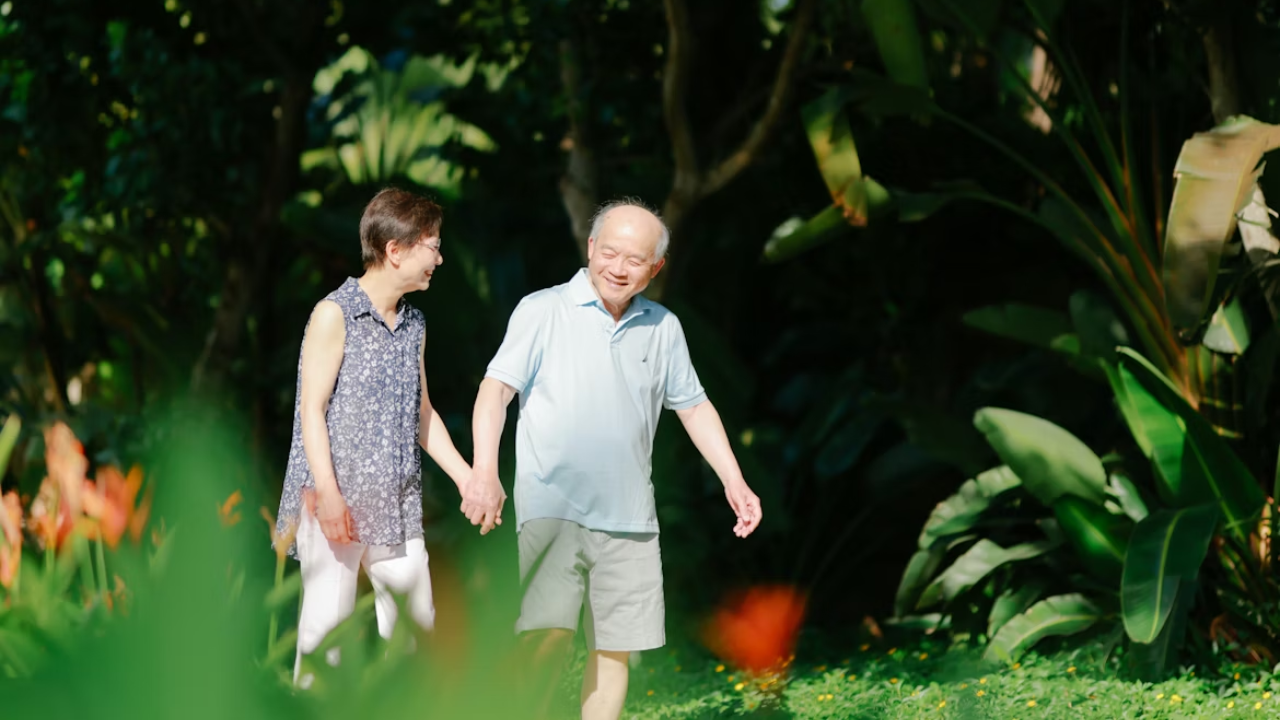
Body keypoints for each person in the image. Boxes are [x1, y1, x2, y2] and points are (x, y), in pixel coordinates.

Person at [464, 198, 763, 720]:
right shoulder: (542, 310)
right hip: (551, 506)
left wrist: (734, 481)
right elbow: (495, 393)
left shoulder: (663, 327)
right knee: (547, 635)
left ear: (656, 268)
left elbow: (693, 408)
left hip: (630, 517)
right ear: (591, 248)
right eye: (611, 252)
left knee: (613, 649)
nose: (619, 268)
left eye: (635, 260)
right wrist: (484, 472)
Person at [275, 187, 472, 687]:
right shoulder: (334, 314)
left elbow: (422, 414)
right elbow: (311, 412)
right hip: (334, 503)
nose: (439, 258)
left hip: (398, 504)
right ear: (396, 249)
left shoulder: (414, 325)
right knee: (326, 636)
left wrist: (469, 480)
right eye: (433, 245)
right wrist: (329, 497)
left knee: (416, 632)